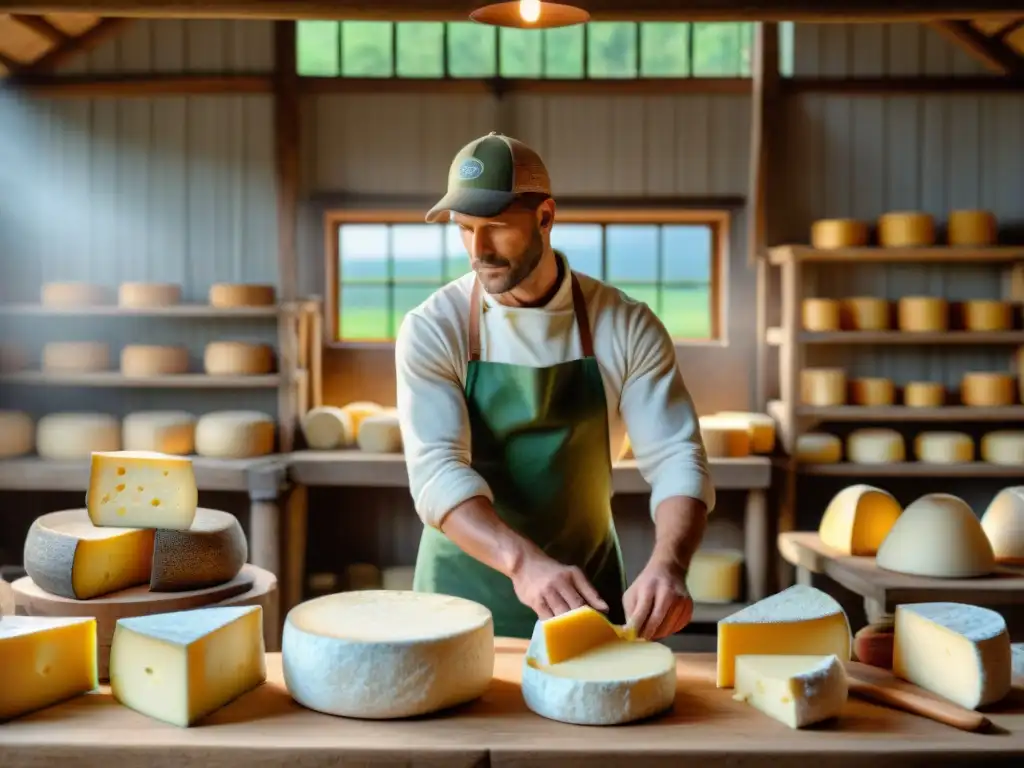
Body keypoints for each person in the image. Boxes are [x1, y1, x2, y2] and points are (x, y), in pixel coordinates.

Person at [395, 131, 714, 641]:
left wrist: (669, 563)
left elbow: (677, 457)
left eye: (496, 227)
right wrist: (524, 564)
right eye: (464, 229)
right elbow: (437, 473)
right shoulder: (435, 327)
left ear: (545, 216)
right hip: (460, 601)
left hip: (586, 594)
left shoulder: (624, 325)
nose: (478, 249)